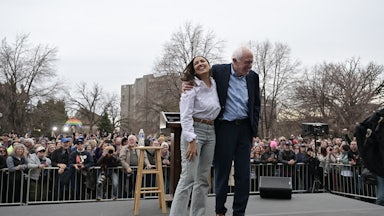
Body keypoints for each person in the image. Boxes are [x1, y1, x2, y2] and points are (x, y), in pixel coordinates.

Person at [184, 47, 260, 216]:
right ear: (235, 61)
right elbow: (199, 74)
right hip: (225, 127)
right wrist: (186, 82)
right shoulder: (219, 71)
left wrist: (254, 130)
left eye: (252, 62)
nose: (250, 66)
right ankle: (220, 210)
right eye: (247, 62)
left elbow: (256, 104)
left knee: (243, 174)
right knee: (222, 171)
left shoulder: (253, 77)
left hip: (245, 129)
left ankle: (239, 212)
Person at [170, 56, 221, 216]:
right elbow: (185, 116)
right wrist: (191, 139)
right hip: (195, 130)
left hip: (211, 131)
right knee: (188, 178)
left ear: (208, 64)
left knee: (202, 180)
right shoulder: (191, 87)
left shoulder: (215, 84)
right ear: (193, 69)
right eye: (196, 63)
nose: (200, 64)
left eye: (202, 61)